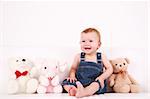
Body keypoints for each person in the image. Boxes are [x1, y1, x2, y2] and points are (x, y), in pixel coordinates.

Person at [62, 28, 113, 98]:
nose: (86, 44)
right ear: (80, 43)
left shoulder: (101, 56)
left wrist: (102, 77)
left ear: (99, 44)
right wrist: (72, 76)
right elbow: (73, 68)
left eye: (90, 41)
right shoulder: (79, 56)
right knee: (66, 82)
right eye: (83, 41)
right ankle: (73, 90)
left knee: (96, 85)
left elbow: (110, 69)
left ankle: (84, 92)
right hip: (79, 82)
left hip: (94, 81)